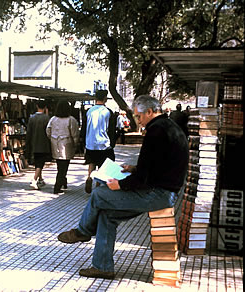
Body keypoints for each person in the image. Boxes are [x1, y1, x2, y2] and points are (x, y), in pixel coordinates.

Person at [57, 95, 189, 279]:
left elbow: (143, 178)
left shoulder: (156, 131)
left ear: (150, 112)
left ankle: (83, 231)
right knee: (106, 215)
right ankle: (102, 267)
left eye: (139, 116)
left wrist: (120, 184)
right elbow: (156, 166)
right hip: (164, 190)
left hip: (159, 193)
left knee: (99, 194)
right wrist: (133, 168)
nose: (137, 120)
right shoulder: (167, 127)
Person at [84, 92, 116, 193]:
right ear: (105, 98)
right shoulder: (108, 112)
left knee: (92, 162)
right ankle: (98, 185)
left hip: (90, 142)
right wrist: (112, 143)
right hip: (103, 143)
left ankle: (89, 178)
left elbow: (84, 127)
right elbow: (111, 129)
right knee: (102, 165)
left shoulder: (89, 111)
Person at [46, 101, 80, 194]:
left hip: (55, 144)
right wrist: (75, 144)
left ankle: (63, 182)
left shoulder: (53, 119)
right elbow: (75, 134)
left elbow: (48, 130)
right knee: (63, 167)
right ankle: (57, 187)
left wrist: (52, 139)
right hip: (66, 145)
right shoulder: (71, 119)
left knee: (59, 165)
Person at [25, 100, 51, 190]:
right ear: (45, 108)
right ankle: (34, 180)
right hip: (43, 144)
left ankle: (40, 179)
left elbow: (29, 132)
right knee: (40, 163)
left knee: (37, 162)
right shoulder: (47, 118)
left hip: (34, 143)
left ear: (36, 106)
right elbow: (49, 132)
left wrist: (27, 144)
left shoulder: (32, 118)